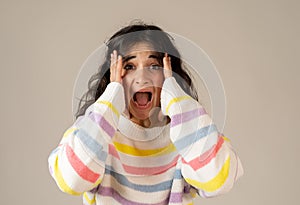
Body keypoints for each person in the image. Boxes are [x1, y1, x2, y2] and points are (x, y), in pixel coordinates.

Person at [48, 21, 243, 205]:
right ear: (114, 76)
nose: (142, 77)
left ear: (168, 75)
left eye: (154, 66)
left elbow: (219, 180)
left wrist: (177, 102)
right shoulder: (95, 131)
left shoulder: (187, 136)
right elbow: (71, 180)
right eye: (129, 67)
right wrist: (111, 99)